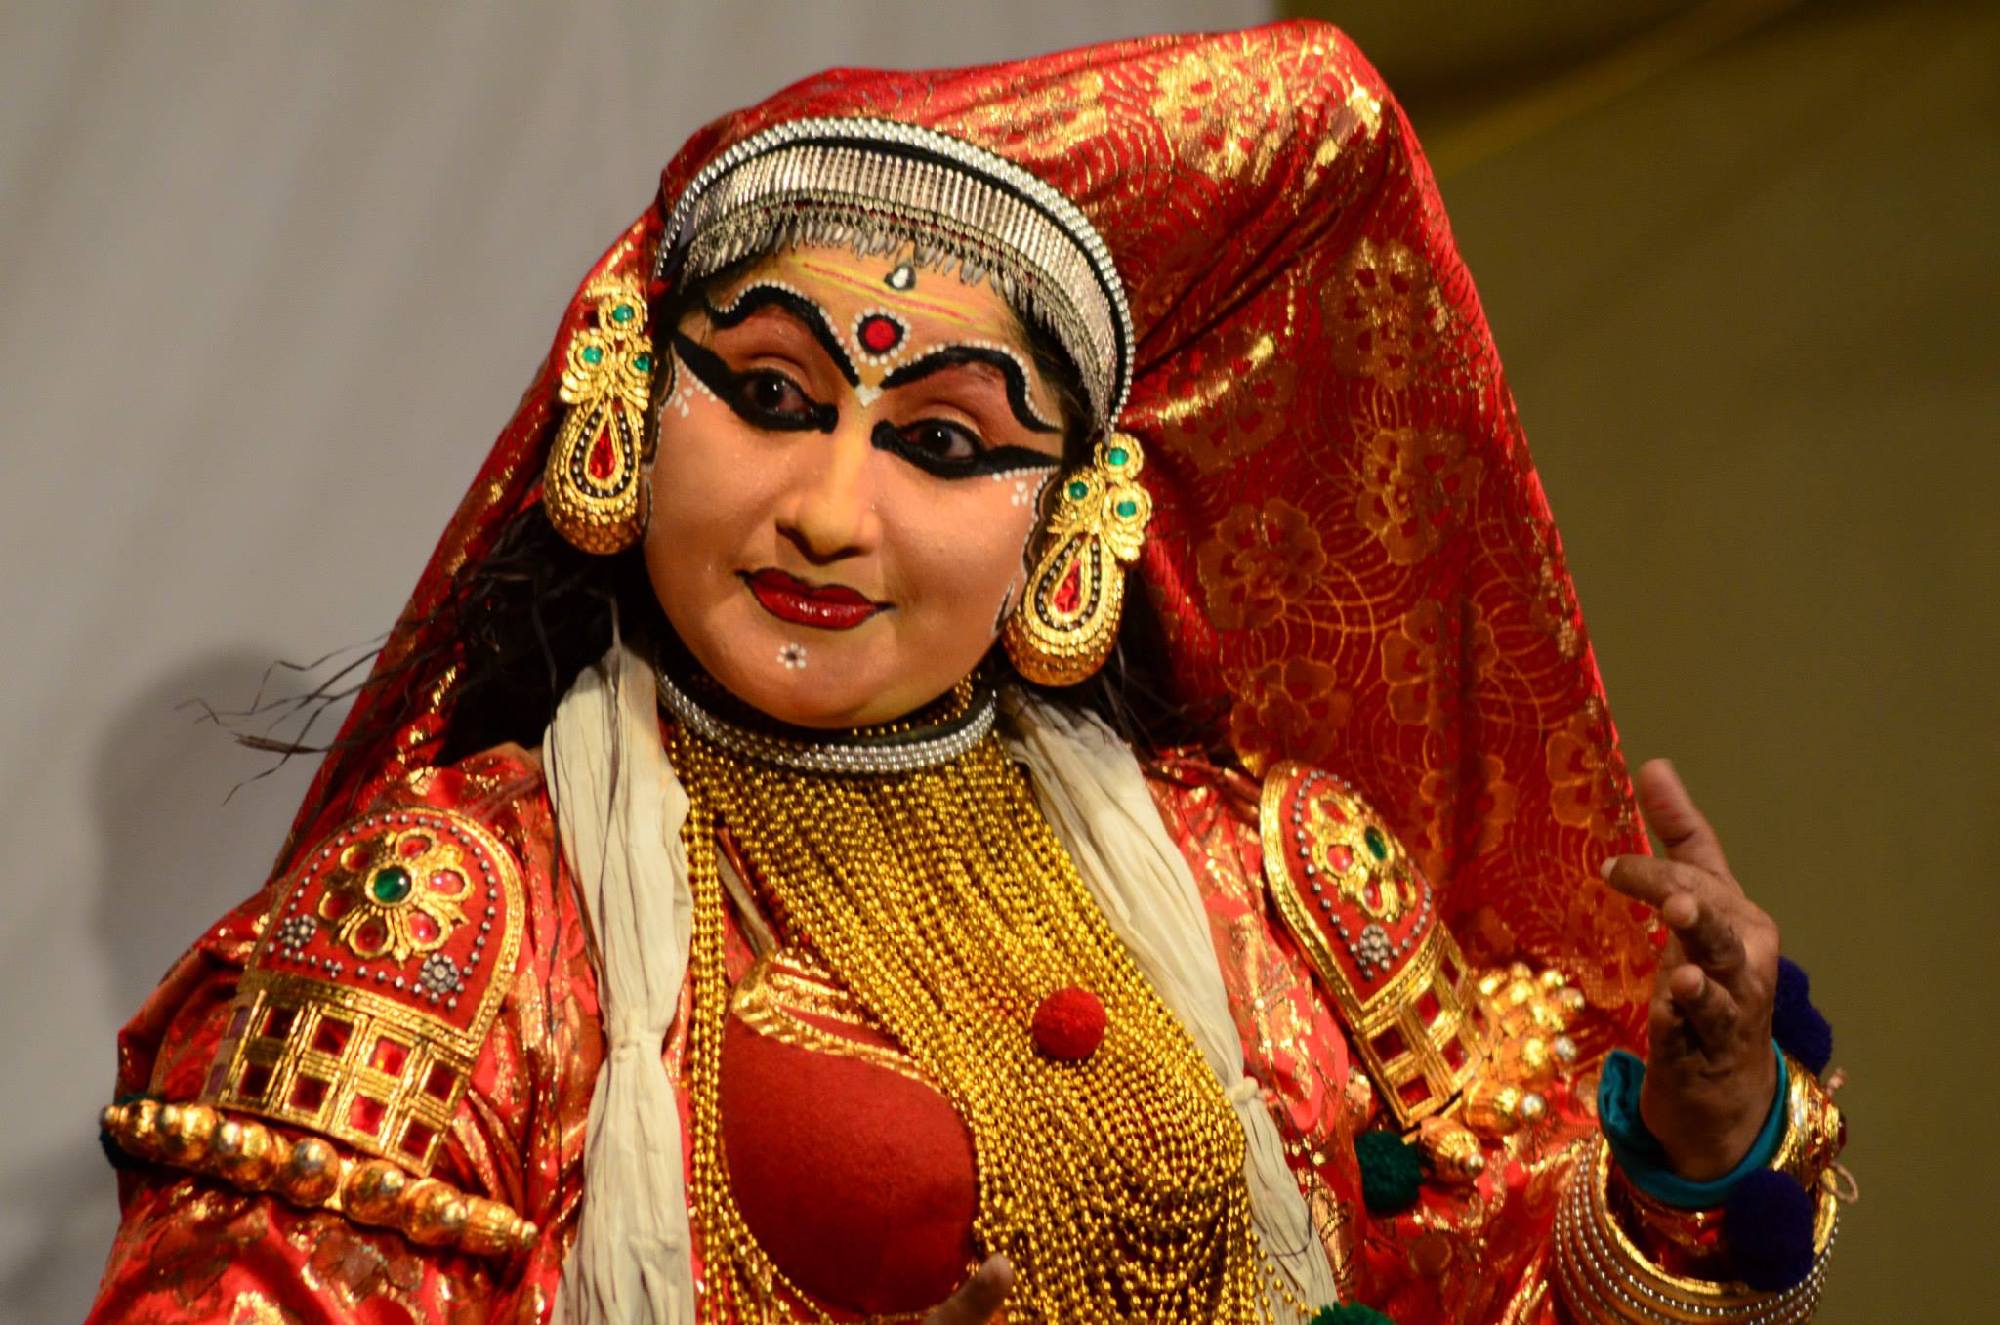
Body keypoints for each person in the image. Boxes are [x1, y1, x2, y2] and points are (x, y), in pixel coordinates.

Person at [86, 21, 1847, 1325]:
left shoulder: (1276, 882)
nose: (827, 513)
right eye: (770, 399)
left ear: (1065, 527)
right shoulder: (455, 922)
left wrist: (1699, 1144)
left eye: (940, 444)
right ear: (631, 406)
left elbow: (1497, 1278)